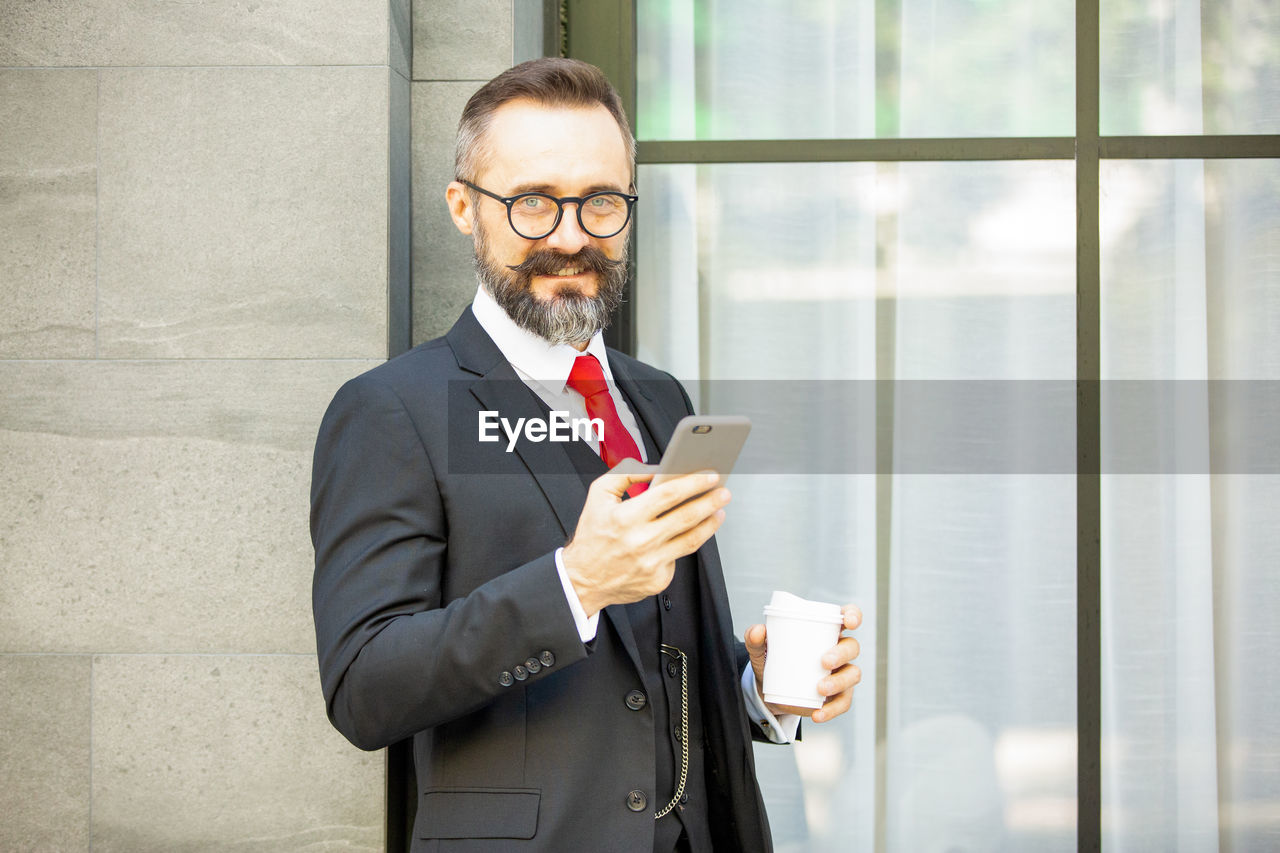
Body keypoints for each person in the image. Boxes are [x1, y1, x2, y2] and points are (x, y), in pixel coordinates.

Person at [311, 57, 862, 853]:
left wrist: (758, 690)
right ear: (464, 207)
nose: (571, 237)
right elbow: (365, 687)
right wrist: (575, 583)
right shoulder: (390, 411)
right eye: (534, 202)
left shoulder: (659, 399)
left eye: (601, 202)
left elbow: (647, 673)